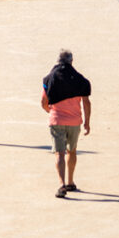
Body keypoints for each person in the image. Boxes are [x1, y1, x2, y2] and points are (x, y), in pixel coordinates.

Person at [41, 50, 92, 198]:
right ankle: (70, 181)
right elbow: (87, 103)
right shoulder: (80, 80)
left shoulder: (49, 79)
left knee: (59, 153)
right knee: (72, 151)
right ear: (71, 61)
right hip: (75, 121)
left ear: (58, 61)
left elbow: (44, 102)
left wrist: (51, 112)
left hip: (57, 120)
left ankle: (61, 185)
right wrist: (87, 122)